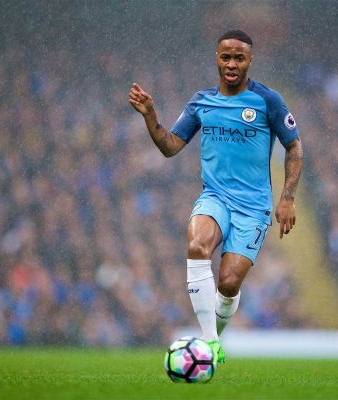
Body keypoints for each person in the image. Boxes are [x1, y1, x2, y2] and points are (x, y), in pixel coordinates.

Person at [128, 29, 303, 363]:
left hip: (253, 208)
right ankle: (209, 344)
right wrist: (151, 117)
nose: (232, 64)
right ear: (217, 59)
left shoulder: (268, 100)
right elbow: (170, 146)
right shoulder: (201, 102)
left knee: (228, 284)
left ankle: (214, 336)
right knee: (197, 245)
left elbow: (293, 144)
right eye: (226, 57)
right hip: (215, 198)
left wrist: (288, 197)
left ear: (250, 60)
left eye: (239, 57)